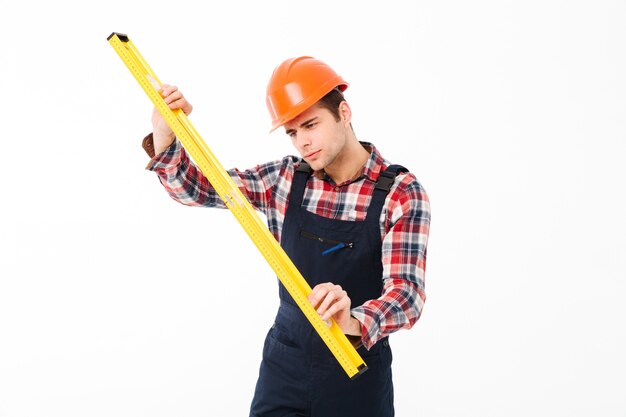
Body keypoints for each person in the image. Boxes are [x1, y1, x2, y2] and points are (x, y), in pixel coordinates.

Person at [142, 56, 430, 417]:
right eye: (293, 132)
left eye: (311, 125)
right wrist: (166, 138)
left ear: (344, 112)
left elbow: (407, 294)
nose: (303, 143)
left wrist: (353, 321)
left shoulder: (400, 193)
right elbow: (199, 189)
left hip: (356, 374)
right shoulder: (285, 179)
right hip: (286, 362)